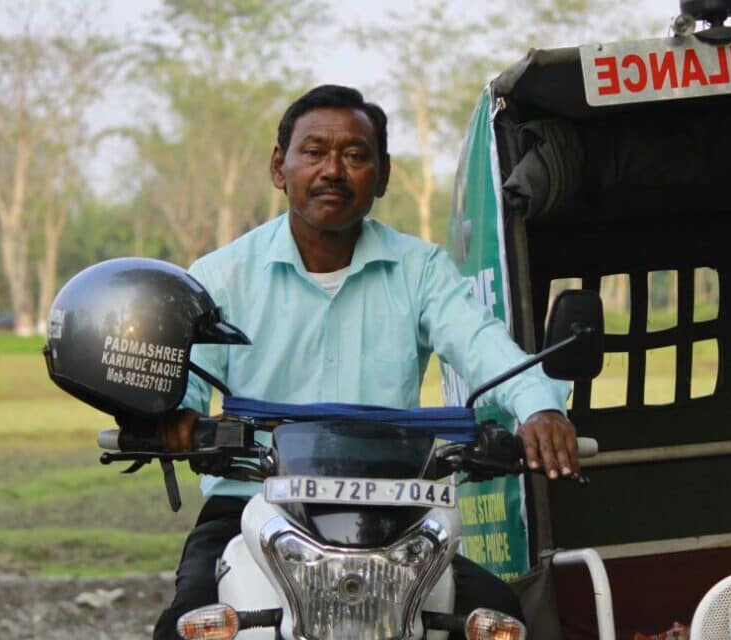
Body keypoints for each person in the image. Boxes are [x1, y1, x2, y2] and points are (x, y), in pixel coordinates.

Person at [152, 84, 579, 639]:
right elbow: (182, 381)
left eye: (355, 155)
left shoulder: (418, 269)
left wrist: (539, 408)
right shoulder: (220, 275)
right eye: (314, 152)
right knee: (183, 627)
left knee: (498, 617)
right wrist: (169, 418)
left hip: (397, 514)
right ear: (280, 167)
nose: (334, 169)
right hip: (250, 505)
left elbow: (484, 347)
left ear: (381, 177)